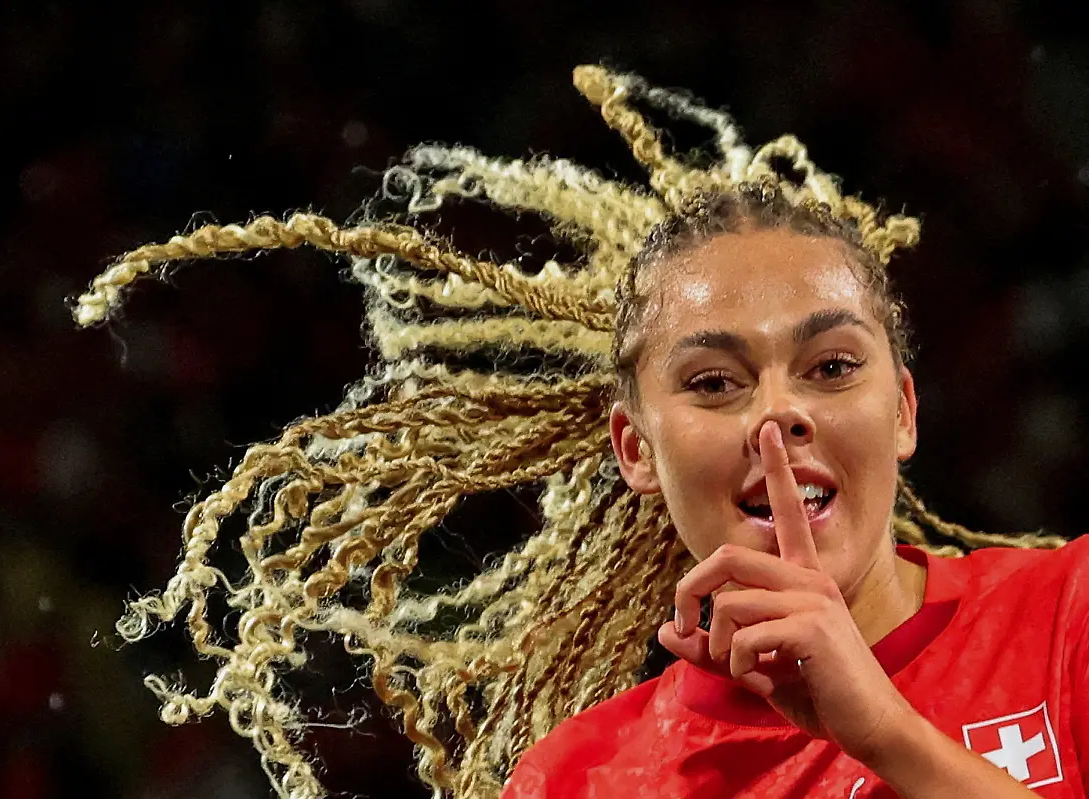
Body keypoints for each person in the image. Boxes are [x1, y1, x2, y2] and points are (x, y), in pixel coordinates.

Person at [71, 66, 1083, 798]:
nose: (779, 413)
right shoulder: (585, 778)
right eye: (715, 382)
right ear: (636, 448)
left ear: (903, 409)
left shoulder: (1067, 615)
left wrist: (887, 734)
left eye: (830, 366)